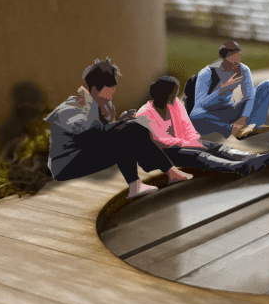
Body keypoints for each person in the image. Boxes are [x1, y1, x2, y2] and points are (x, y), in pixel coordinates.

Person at [45, 58, 192, 199]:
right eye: (105, 96)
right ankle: (138, 184)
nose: (108, 100)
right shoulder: (71, 108)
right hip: (66, 165)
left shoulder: (99, 105)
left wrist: (121, 122)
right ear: (94, 89)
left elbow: (103, 135)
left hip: (84, 153)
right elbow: (90, 136)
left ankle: (169, 172)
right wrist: (120, 124)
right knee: (127, 133)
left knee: (134, 128)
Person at [136, 76, 269, 176]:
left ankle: (254, 158)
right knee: (200, 155)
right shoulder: (145, 114)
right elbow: (159, 141)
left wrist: (192, 140)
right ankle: (239, 166)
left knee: (216, 147)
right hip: (158, 154)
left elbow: (186, 127)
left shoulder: (174, 105)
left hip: (182, 143)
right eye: (170, 94)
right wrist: (187, 143)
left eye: (174, 93)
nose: (173, 97)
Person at [189, 40, 269, 140]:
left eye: (238, 58)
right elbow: (202, 104)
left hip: (230, 110)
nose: (236, 63)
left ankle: (252, 126)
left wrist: (244, 118)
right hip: (212, 113)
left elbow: (249, 96)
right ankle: (231, 129)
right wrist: (223, 89)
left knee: (268, 85)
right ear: (221, 58)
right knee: (195, 115)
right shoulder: (206, 74)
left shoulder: (243, 69)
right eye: (232, 59)